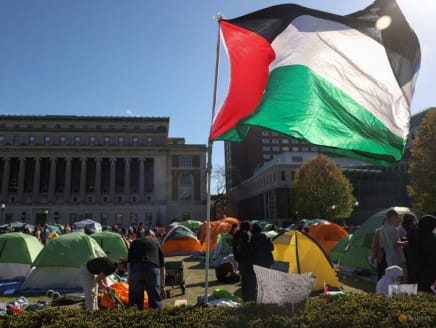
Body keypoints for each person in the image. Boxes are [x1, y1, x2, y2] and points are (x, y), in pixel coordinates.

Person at [128, 230, 166, 309]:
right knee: (155, 300)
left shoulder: (135, 242)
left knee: (135, 301)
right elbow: (162, 268)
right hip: (152, 269)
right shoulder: (156, 243)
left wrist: (129, 277)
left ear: (143, 235)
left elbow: (129, 263)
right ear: (152, 236)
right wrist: (162, 287)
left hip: (136, 269)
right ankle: (157, 319)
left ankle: (135, 319)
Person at [408, 214, 436, 292]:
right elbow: (431, 253)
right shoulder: (427, 235)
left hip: (415, 266)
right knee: (428, 289)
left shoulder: (414, 231)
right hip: (427, 268)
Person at [379, 209, 407, 282]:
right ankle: (401, 292)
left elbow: (381, 245)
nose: (397, 220)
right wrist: (407, 242)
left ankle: (392, 292)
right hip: (397, 256)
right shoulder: (394, 229)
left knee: (392, 278)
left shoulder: (381, 230)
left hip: (389, 257)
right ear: (392, 217)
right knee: (401, 277)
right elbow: (396, 244)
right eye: (396, 218)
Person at [232, 220, 256, 302]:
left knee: (244, 277)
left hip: (239, 258)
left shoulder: (236, 234)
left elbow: (234, 247)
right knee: (249, 277)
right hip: (247, 259)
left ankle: (244, 294)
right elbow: (246, 247)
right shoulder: (245, 234)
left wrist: (236, 257)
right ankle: (250, 295)